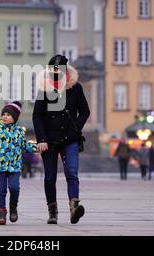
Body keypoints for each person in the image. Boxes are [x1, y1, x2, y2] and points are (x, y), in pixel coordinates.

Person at [33, 55, 90, 225]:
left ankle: (74, 208)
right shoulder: (44, 88)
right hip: (48, 140)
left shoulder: (75, 88)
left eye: (59, 69)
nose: (55, 72)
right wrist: (41, 139)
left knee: (72, 173)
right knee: (50, 177)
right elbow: (37, 115)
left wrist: (76, 128)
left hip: (70, 139)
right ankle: (53, 211)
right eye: (52, 69)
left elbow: (85, 111)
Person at [0, 101, 37, 225]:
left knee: (14, 188)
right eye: (3, 114)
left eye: (8, 115)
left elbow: (25, 146)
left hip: (14, 166)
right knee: (1, 190)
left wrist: (38, 147)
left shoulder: (19, 132)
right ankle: (2, 212)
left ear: (14, 118)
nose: (5, 116)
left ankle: (13, 207)